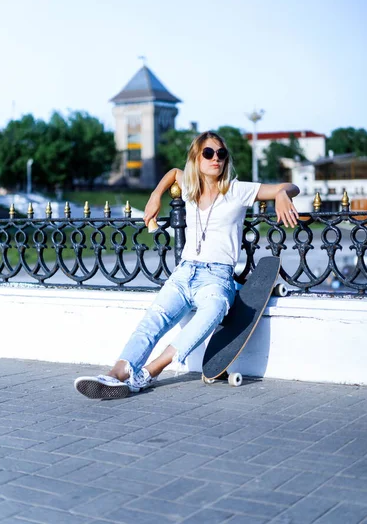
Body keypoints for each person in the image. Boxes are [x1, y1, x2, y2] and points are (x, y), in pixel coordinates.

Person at [74, 131, 300, 400]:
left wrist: (282, 194)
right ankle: (115, 375)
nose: (215, 158)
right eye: (208, 153)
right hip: (184, 273)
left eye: (221, 154)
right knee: (152, 322)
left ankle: (149, 372)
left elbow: (289, 186)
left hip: (217, 278)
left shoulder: (237, 190)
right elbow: (173, 172)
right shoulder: (190, 189)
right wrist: (155, 195)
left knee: (213, 310)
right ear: (197, 157)